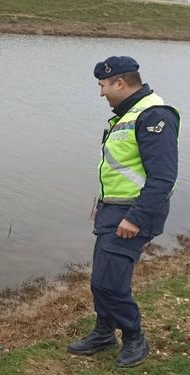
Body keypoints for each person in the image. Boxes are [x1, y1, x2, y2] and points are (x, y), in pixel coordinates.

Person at [68, 56, 180, 368]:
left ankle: (134, 338)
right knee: (100, 280)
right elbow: (122, 170)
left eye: (102, 85)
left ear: (120, 82)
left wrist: (135, 217)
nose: (101, 92)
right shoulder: (127, 115)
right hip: (112, 212)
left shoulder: (154, 115)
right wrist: (101, 204)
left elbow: (162, 178)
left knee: (110, 284)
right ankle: (104, 332)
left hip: (132, 215)